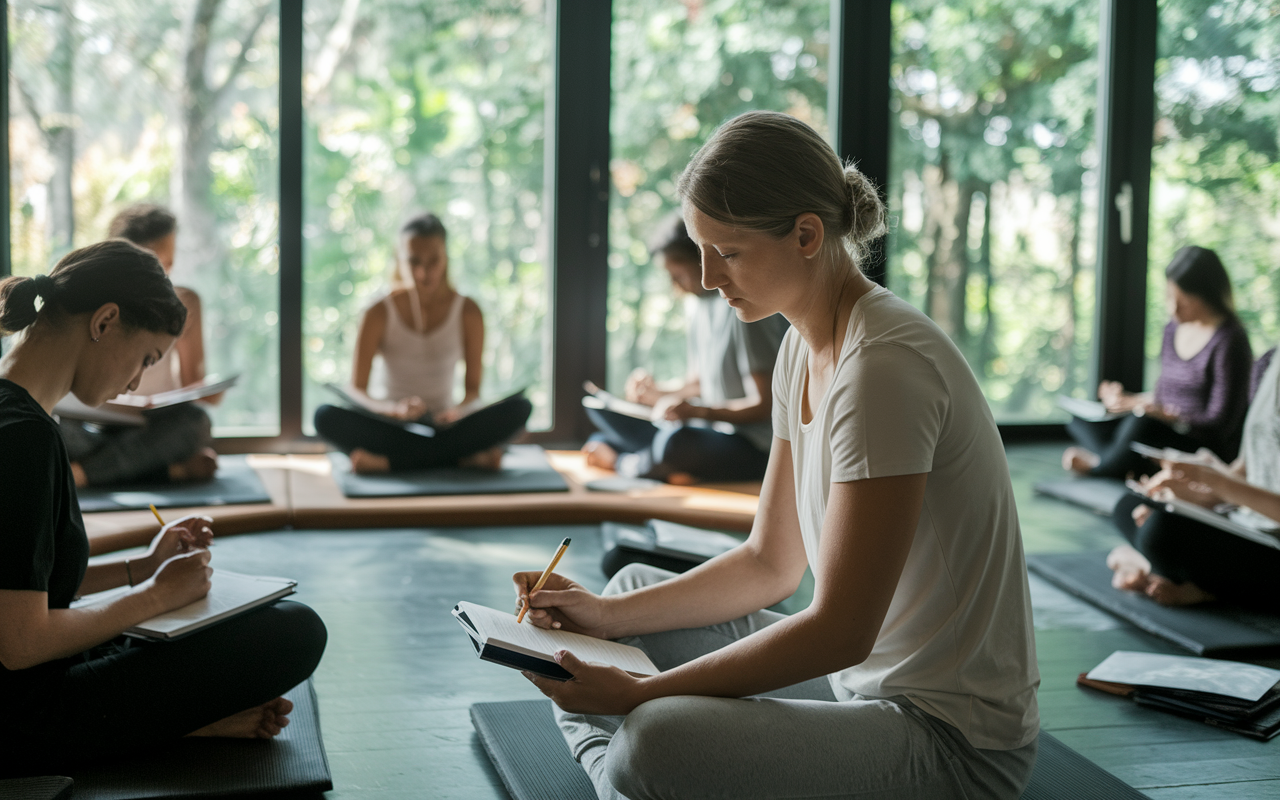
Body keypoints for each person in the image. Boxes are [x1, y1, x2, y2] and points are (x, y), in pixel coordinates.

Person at [515, 111, 1040, 800]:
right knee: (627, 595)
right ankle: (622, 776)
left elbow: (841, 633)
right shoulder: (800, 346)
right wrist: (602, 621)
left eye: (726, 252)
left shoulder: (883, 368)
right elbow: (770, 564)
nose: (707, 277)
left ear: (806, 235)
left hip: (947, 738)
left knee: (653, 737)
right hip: (857, 687)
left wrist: (641, 694)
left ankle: (621, 771)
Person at [0, 240, 326, 777]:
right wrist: (152, 597)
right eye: (146, 359)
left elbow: (21, 587)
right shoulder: (23, 439)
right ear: (105, 322)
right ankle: (179, 724)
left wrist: (142, 568)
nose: (135, 383)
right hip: (22, 716)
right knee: (295, 629)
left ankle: (175, 720)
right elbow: (18, 642)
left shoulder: (21, 415)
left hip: (35, 675)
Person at [313, 212, 531, 473]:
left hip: (445, 427)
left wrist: (457, 412)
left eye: (433, 261)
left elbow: (473, 392)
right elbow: (357, 390)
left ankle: (390, 463)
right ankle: (461, 460)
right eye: (414, 261)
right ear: (400, 258)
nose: (423, 272)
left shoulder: (468, 311)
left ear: (446, 256)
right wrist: (393, 410)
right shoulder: (378, 312)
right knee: (324, 416)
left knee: (520, 409)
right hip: (392, 428)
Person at [582, 215, 787, 484]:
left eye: (678, 275)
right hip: (708, 430)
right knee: (601, 435)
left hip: (750, 444)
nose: (675, 286)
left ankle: (623, 463)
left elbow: (764, 405)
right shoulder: (698, 308)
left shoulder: (744, 309)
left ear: (701, 261)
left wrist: (698, 412)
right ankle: (663, 467)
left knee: (674, 444)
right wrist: (657, 394)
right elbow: (699, 384)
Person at [58, 204, 219, 487]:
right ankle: (170, 472)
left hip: (153, 425)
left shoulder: (185, 303)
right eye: (157, 265)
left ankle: (81, 474)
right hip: (94, 426)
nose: (164, 276)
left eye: (169, 264)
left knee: (195, 424)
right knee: (53, 430)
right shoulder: (95, 307)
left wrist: (212, 391)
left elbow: (197, 385)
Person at [1108, 345, 1280, 612]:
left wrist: (1216, 482)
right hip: (1248, 523)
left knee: (1160, 533)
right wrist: (1188, 497)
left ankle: (1151, 564)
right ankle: (1181, 575)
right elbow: (1246, 467)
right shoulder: (1270, 361)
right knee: (1128, 506)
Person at [1063, 246, 1253, 478]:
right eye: (1170, 298)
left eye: (1184, 302)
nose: (1174, 309)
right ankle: (1123, 461)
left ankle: (1101, 467)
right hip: (1158, 423)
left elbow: (1219, 425)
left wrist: (1169, 417)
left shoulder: (1230, 341)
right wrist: (1127, 401)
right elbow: (1163, 394)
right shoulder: (1172, 330)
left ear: (1208, 295)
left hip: (1198, 441)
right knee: (1081, 421)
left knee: (1141, 426)